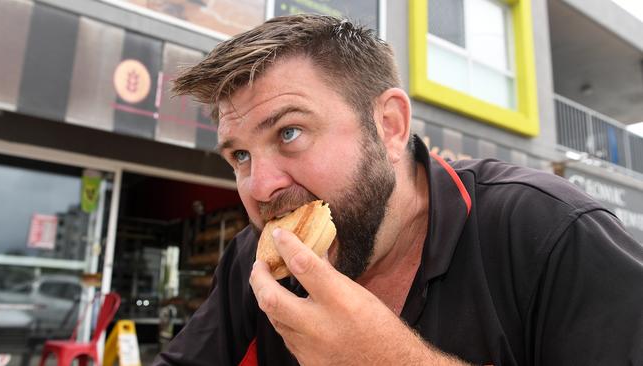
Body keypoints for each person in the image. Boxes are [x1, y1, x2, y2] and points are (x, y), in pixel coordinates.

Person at [153, 14, 643, 365]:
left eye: (289, 133)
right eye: (239, 156)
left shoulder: (550, 232)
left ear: (389, 125)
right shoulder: (251, 264)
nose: (259, 188)